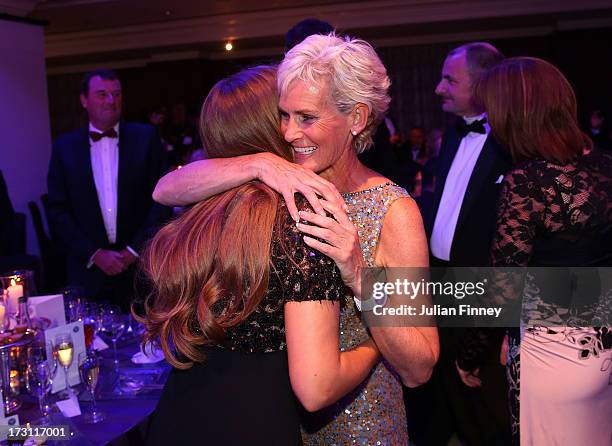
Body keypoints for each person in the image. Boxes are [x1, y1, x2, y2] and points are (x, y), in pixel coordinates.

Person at [153, 34, 439, 444]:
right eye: (283, 116)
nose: (288, 133)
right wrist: (260, 163)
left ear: (356, 118)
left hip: (355, 425)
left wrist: (360, 277)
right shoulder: (277, 180)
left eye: (305, 117)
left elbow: (420, 367)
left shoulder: (394, 210)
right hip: (271, 419)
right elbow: (166, 189)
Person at [475, 56, 612, 446]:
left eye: (492, 112)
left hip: (554, 356)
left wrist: (469, 355)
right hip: (603, 350)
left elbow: (501, 288)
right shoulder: (606, 166)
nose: (488, 122)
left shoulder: (528, 181)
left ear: (513, 116)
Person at [412, 42, 512, 446]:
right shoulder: (451, 137)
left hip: (482, 282)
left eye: (450, 80)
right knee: (440, 379)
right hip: (438, 276)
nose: (438, 89)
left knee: (481, 389)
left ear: (484, 82)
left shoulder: (509, 142)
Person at [46, 69, 170, 309]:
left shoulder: (146, 138)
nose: (111, 101)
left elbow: (163, 198)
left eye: (116, 94)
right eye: (102, 94)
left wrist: (133, 250)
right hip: (88, 271)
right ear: (84, 100)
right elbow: (58, 211)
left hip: (139, 268)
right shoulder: (64, 148)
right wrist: (94, 253)